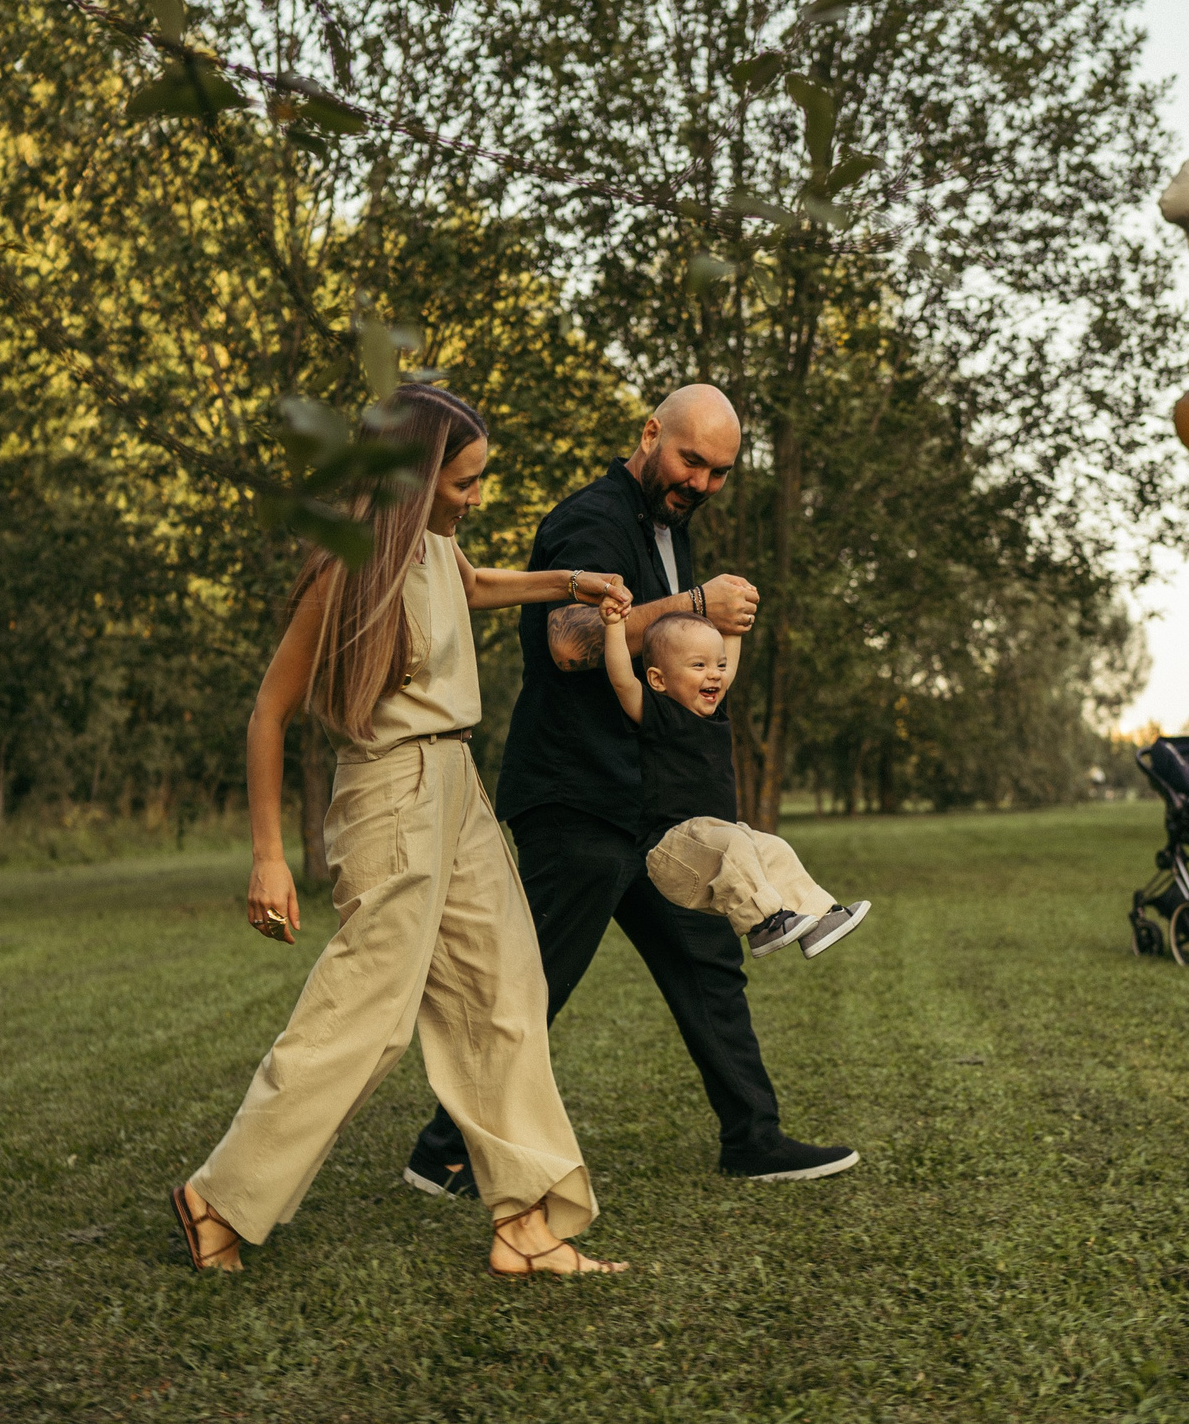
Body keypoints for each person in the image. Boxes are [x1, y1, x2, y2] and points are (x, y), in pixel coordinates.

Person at [169, 383, 633, 1277]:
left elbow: (479, 585)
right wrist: (268, 858)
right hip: (391, 791)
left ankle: (526, 1225)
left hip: (456, 785)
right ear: (417, 477)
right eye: (464, 481)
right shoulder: (346, 569)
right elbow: (269, 712)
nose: (476, 496)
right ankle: (217, 1199)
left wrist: (575, 582)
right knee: (367, 1016)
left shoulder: (435, 543)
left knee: (504, 989)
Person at [401, 385, 860, 1196]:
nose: (702, 483)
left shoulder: (672, 526)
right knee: (537, 979)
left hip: (659, 806)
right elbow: (570, 642)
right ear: (651, 433)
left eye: (719, 472)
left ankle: (753, 1138)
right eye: (691, 461)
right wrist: (693, 604)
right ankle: (442, 1150)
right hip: (577, 796)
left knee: (709, 964)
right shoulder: (591, 518)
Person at [598, 601, 870, 957]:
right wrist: (614, 627)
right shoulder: (657, 714)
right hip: (671, 851)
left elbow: (730, 662)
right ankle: (762, 925)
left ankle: (820, 918)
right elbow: (621, 680)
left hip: (713, 853)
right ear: (658, 679)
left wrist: (736, 625)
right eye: (699, 665)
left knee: (773, 848)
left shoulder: (714, 713)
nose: (715, 674)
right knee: (733, 840)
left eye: (719, 665)